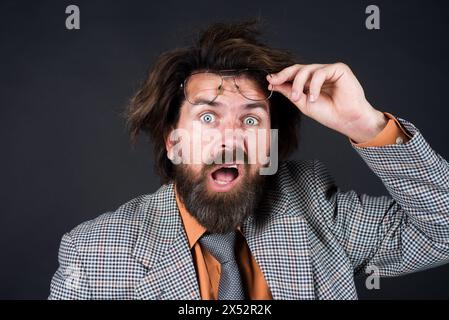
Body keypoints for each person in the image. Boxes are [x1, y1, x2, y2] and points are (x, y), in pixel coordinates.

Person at [49, 20, 449, 300]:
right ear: (173, 143)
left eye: (251, 118)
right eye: (208, 116)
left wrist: (366, 124)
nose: (231, 138)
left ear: (269, 147)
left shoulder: (316, 211)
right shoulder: (96, 253)